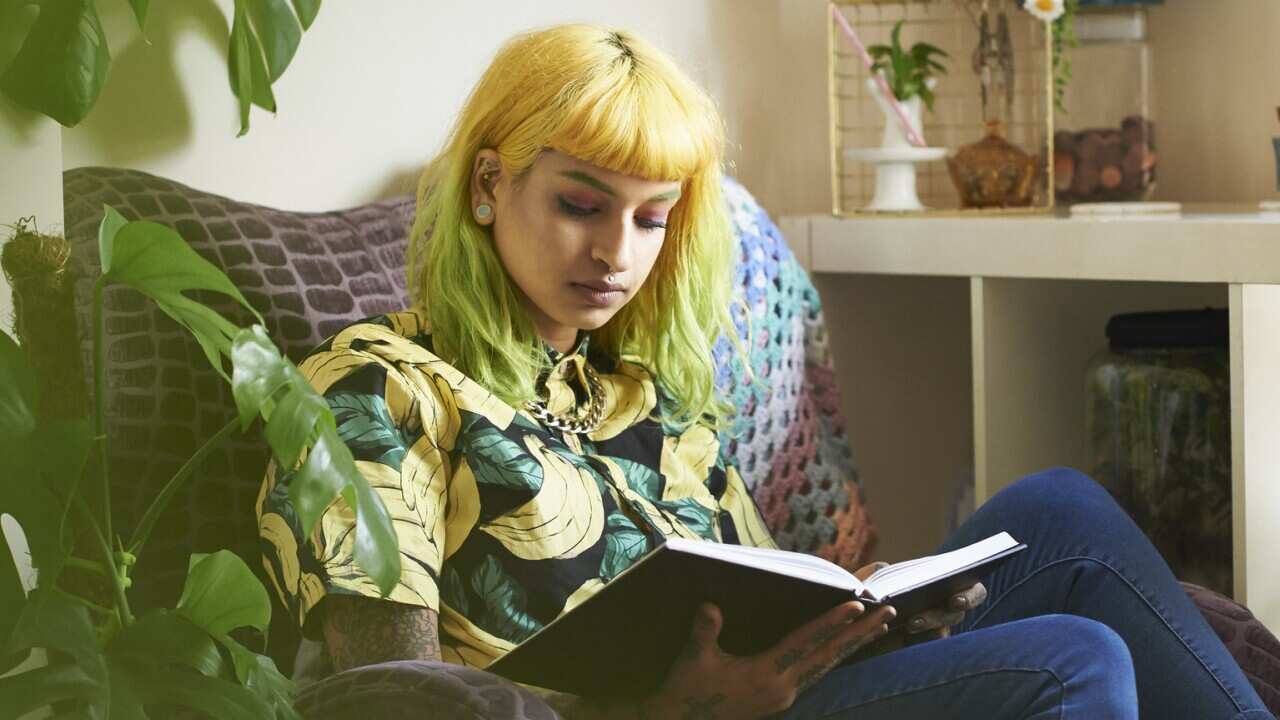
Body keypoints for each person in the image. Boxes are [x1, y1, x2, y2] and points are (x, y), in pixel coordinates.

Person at [257, 23, 1275, 720]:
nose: (615, 250)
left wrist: (865, 606)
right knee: (1075, 659)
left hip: (783, 698)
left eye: (650, 218)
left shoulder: (640, 396)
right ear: (489, 185)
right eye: (579, 203)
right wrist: (661, 708)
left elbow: (764, 593)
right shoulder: (374, 386)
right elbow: (391, 693)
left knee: (1061, 510)